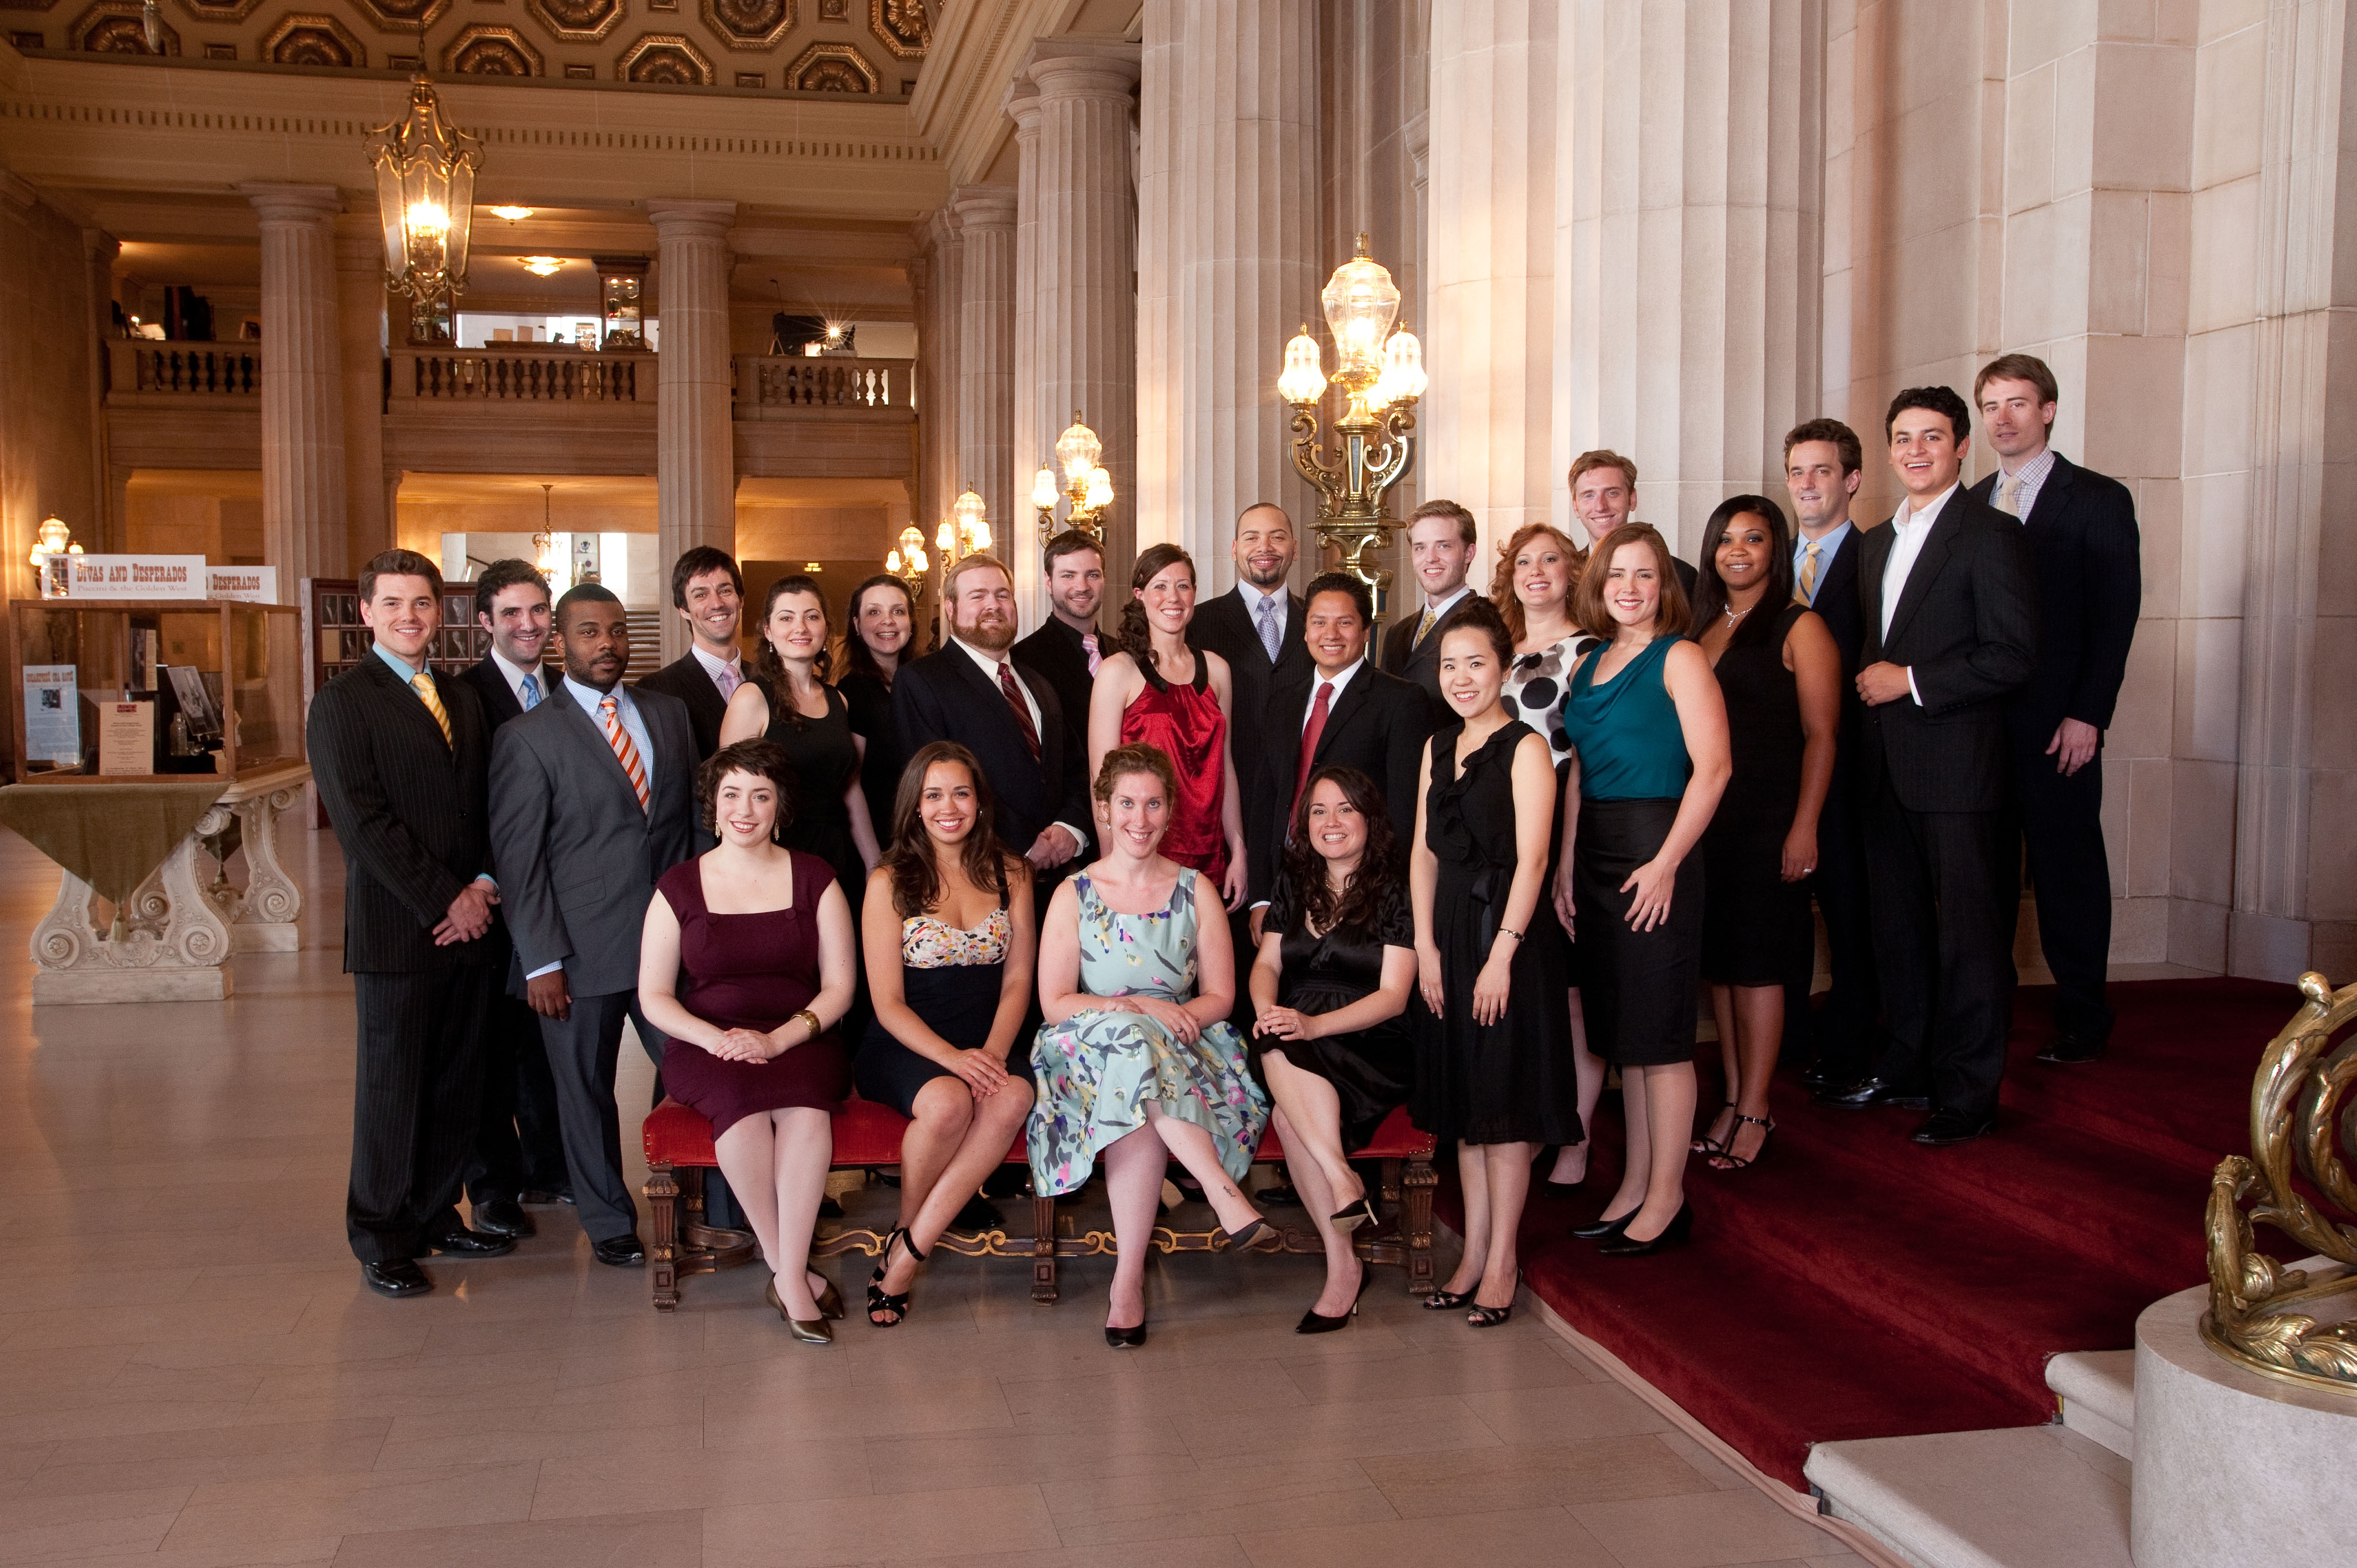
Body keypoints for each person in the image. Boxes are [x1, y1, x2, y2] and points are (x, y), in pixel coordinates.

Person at [1821, 386, 2037, 1147]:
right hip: (1885, 769)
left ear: (1960, 447)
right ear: (1888, 452)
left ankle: (1969, 1094)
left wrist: (1911, 681)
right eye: (1904, 439)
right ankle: (1906, 1066)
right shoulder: (1875, 542)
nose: (1916, 451)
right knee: (1899, 932)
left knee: (1970, 940)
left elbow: (2014, 654)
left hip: (1960, 770)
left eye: (1933, 437)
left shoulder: (1992, 534)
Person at [307, 550, 512, 1298]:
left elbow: (490, 804)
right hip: (400, 931)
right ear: (367, 612)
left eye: (421, 602)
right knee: (392, 1091)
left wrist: (482, 886)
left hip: (473, 927)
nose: (409, 616)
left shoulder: (460, 697)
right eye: (392, 603)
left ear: (440, 612)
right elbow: (363, 822)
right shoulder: (342, 703)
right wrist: (444, 899)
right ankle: (382, 1235)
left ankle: (433, 1215)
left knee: (457, 1084)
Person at [1030, 744, 1272, 1347]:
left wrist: (1168, 1018)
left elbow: (1221, 996)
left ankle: (1127, 1283)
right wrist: (1138, 1009)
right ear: (1104, 810)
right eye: (1127, 804)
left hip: (1187, 1050)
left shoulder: (1196, 890)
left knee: (1137, 1081)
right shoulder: (1073, 893)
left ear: (1169, 813)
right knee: (1130, 1047)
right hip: (1086, 1052)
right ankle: (1221, 1192)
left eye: (1154, 804)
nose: (1139, 819)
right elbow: (1055, 1002)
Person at [490, 583, 699, 1268]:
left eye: (616, 631)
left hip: (667, 944)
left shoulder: (668, 715)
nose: (605, 644)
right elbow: (520, 863)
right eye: (587, 632)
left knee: (694, 1071)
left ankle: (699, 1201)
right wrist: (540, 961)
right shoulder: (527, 738)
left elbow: (689, 830)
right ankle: (608, 1220)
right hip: (577, 955)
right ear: (559, 642)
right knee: (583, 1092)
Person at [637, 739, 855, 1343]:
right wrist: (720, 1041)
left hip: (801, 1037)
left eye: (761, 796)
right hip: (708, 1047)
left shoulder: (816, 878)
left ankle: (786, 1273)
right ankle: (790, 1274)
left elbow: (840, 988)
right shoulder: (678, 887)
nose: (745, 809)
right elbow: (654, 995)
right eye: (732, 794)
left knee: (807, 1110)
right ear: (714, 805)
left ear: (780, 806)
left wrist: (778, 1041)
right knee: (742, 1106)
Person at [1556, 523, 1731, 1255]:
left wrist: (1664, 864)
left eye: (1644, 575)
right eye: (1616, 574)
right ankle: (1632, 1186)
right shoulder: (1587, 661)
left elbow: (1714, 769)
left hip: (1659, 847)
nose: (1629, 588)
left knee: (1659, 1037)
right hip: (1595, 851)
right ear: (1598, 584)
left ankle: (1667, 1199)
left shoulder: (1681, 657)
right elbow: (1579, 769)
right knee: (1622, 1033)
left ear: (1665, 586)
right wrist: (1565, 864)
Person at [1408, 599, 1579, 1323]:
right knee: (1466, 1107)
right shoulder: (1436, 745)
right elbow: (1422, 853)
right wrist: (1424, 948)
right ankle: (1472, 1253)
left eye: (1475, 663)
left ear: (1504, 669)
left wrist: (1501, 955)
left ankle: (1502, 1260)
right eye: (1449, 665)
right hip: (1448, 935)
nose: (1460, 677)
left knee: (1502, 1107)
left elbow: (1534, 859)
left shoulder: (1526, 748)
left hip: (1508, 938)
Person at [1968, 354, 2142, 1065]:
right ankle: (1990, 1009)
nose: (2002, 418)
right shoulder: (1971, 501)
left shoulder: (2097, 499)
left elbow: (2114, 616)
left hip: (2058, 724)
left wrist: (2087, 715)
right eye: (1989, 406)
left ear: (2046, 410)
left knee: (2066, 871)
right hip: (1980, 726)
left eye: (2016, 403)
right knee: (1984, 875)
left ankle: (2082, 1018)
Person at [856, 742, 1038, 1326]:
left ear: (980, 801)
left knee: (1012, 1095)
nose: (948, 807)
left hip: (991, 1036)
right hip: (907, 1040)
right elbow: (886, 1003)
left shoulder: (1014, 873)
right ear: (915, 806)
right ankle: (909, 1230)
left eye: (961, 793)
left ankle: (906, 1253)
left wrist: (993, 1053)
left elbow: (1019, 979)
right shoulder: (888, 880)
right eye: (933, 795)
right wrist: (953, 1060)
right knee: (946, 1104)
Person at [1688, 498, 1840, 1173]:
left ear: (1775, 549)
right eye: (1725, 539)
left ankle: (1755, 1108)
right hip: (1709, 822)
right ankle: (1731, 1097)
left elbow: (1822, 735)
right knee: (1721, 970)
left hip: (1768, 821)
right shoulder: (1701, 625)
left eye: (1753, 538)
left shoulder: (1798, 625)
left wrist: (1804, 827)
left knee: (1757, 968)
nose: (1737, 551)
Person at [1248, 766, 1417, 1334]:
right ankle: (1343, 1204)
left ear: (1370, 819)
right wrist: (1267, 1009)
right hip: (1296, 1028)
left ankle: (1344, 1258)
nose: (1331, 822)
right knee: (1273, 1037)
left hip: (1371, 1038)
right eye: (1319, 811)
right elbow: (1268, 965)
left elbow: (1394, 997)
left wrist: (1314, 1026)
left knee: (1287, 1112)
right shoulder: (1294, 880)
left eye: (1346, 809)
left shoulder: (1396, 888)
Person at [1489, 523, 1608, 1190]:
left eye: (1550, 561)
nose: (1536, 572)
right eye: (1524, 562)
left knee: (1570, 998)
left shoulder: (1588, 654)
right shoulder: (1496, 650)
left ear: (1572, 573)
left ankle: (1576, 1137)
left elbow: (1584, 763)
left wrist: (1566, 860)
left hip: (1561, 835)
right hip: (1498, 845)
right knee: (1525, 995)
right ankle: (1533, 1122)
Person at [452, 559, 570, 1229]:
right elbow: (465, 805)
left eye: (537, 611)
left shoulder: (568, 689)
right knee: (491, 1050)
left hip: (559, 895)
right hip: (492, 897)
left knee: (546, 1040)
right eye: (512, 613)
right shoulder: (463, 696)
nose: (528, 625)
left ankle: (550, 1170)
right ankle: (493, 1187)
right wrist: (484, 879)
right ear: (485, 622)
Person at [894, 554, 1091, 917]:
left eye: (1003, 595)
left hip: (1059, 880)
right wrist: (1025, 844)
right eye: (978, 596)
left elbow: (1076, 768)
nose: (993, 605)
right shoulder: (922, 680)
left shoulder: (1038, 682)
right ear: (950, 608)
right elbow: (933, 785)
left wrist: (1070, 828)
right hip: (980, 880)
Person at [1782, 419, 1882, 1091]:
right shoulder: (1766, 562)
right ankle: (1786, 1044)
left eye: (1822, 471)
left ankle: (1850, 1051)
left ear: (1851, 480)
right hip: (1774, 774)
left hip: (1853, 770)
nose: (1807, 484)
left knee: (1852, 916)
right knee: (1781, 921)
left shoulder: (1877, 558)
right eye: (1797, 472)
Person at [1255, 571, 1436, 921]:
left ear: (1366, 631)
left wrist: (1390, 898)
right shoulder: (1282, 702)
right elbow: (1265, 801)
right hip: (1285, 886)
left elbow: (1406, 812)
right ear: (1305, 630)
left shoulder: (1401, 701)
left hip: (1365, 891)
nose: (1331, 634)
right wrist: (1261, 896)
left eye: (1345, 622)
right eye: (1319, 622)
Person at [1088, 543, 1249, 907]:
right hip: (1141, 853)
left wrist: (1238, 849)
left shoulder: (1218, 670)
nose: (1173, 597)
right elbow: (1101, 780)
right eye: (1160, 586)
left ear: (1194, 594)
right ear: (1140, 594)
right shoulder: (1118, 671)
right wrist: (1111, 862)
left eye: (1183, 586)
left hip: (1209, 855)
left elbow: (1224, 767)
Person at [719, 574, 883, 914]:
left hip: (838, 851)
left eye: (812, 616)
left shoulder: (839, 700)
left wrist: (874, 863)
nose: (801, 627)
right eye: (786, 618)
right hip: (775, 855)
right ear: (768, 631)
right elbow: (728, 797)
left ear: (825, 628)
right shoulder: (752, 697)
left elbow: (851, 789)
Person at [636, 546, 754, 760]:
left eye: (725, 591)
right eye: (701, 595)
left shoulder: (770, 680)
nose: (717, 604)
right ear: (684, 610)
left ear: (741, 600)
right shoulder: (656, 690)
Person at [1013, 528, 1109, 762]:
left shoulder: (1125, 653)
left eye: (1092, 575)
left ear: (1104, 579)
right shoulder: (1022, 661)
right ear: (1048, 582)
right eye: (1068, 576)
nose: (1082, 586)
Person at [1380, 499, 1488, 700]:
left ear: (1469, 553)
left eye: (1443, 546)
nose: (1430, 558)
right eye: (1420, 548)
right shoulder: (1397, 633)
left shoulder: (1487, 622)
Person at [837, 573, 915, 849]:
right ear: (857, 625)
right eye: (874, 612)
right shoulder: (852, 691)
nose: (888, 621)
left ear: (911, 622)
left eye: (898, 611)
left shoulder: (923, 682)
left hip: (926, 833)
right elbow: (850, 785)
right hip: (881, 839)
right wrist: (873, 861)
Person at [1567, 450, 1699, 598]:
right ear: (1575, 507)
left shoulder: (1681, 576)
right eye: (1589, 495)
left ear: (1632, 499)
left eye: (1612, 493)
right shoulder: (1566, 573)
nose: (1600, 506)